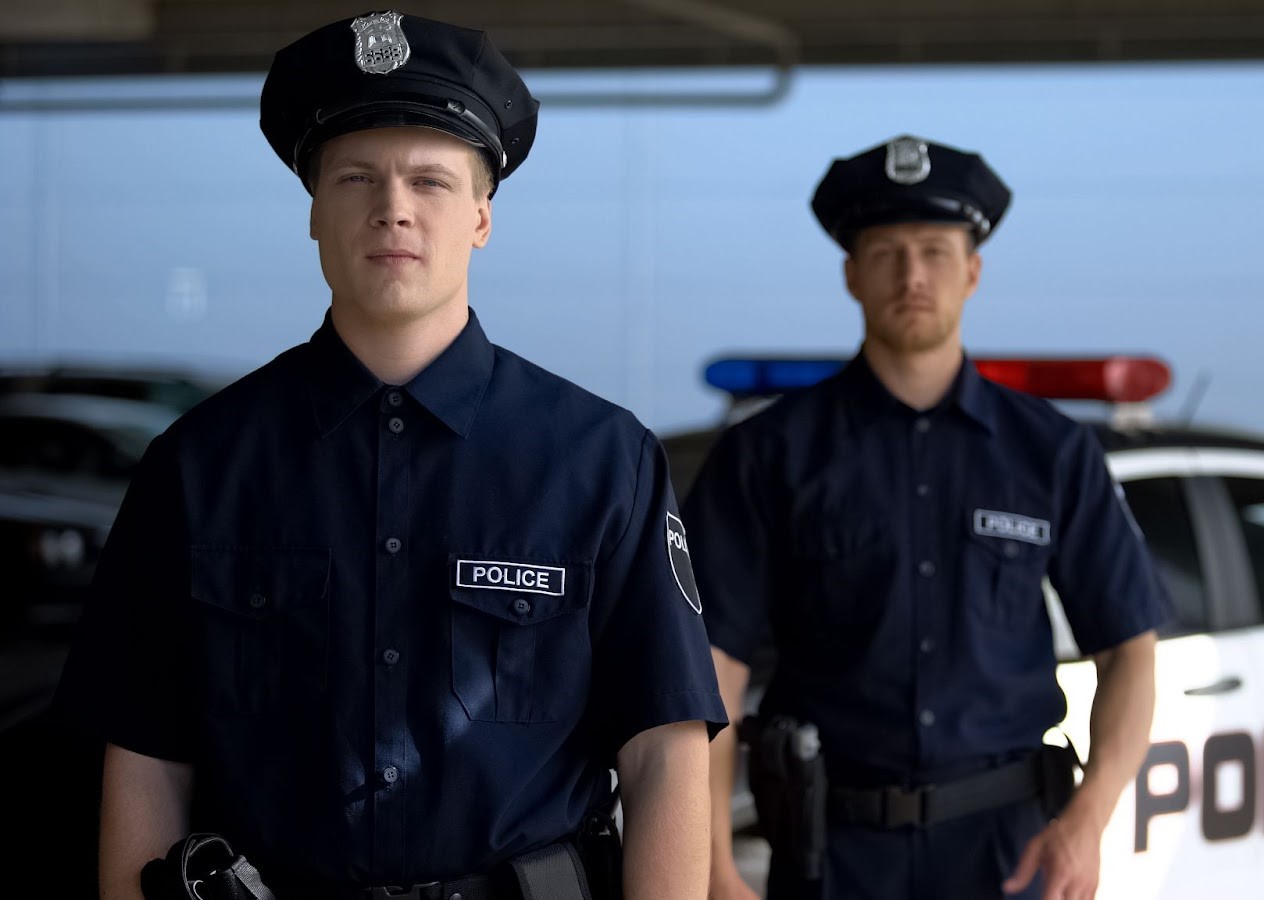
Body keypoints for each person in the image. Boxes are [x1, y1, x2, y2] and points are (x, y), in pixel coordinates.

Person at [51, 11, 726, 900]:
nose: (393, 207)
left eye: (431, 181)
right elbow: (144, 758)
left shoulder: (604, 461)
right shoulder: (198, 468)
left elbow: (663, 753)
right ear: (316, 213)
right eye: (357, 177)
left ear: (482, 217)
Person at [685, 135, 1172, 900]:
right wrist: (712, 868)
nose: (913, 276)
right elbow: (709, 673)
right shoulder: (767, 455)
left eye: (936, 252)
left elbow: (1130, 652)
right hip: (829, 855)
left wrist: (1088, 819)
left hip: (1008, 850)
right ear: (852, 274)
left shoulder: (1051, 452)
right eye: (886, 253)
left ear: (972, 272)